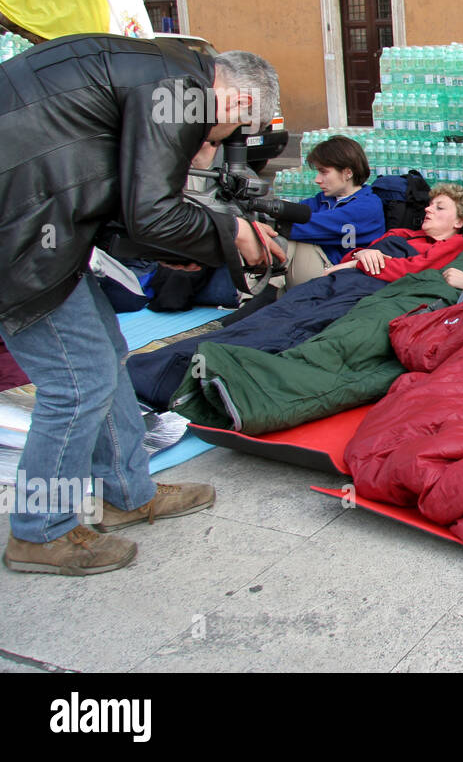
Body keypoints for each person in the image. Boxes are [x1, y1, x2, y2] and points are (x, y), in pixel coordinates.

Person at [0, 34, 282, 576]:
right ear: (240, 101)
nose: (217, 144)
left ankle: (126, 493)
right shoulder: (182, 87)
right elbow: (151, 212)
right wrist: (236, 236)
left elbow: (119, 200)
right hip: (22, 236)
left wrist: (182, 242)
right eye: (232, 132)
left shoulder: (161, 69)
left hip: (39, 225)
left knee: (105, 357)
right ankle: (40, 531)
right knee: (77, 383)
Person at [269, 136, 386, 289]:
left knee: (296, 237)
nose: (317, 179)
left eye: (324, 172)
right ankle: (264, 292)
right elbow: (292, 212)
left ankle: (265, 292)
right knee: (273, 230)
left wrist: (271, 223)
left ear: (347, 173)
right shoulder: (323, 199)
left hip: (343, 276)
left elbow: (311, 225)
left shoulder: (368, 205)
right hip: (320, 269)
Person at [325, 183, 463, 281]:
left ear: (459, 221)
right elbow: (353, 258)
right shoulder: (401, 233)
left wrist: (356, 264)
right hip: (348, 277)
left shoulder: (456, 243)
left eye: (440, 208)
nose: (427, 209)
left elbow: (414, 270)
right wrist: (359, 254)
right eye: (430, 205)